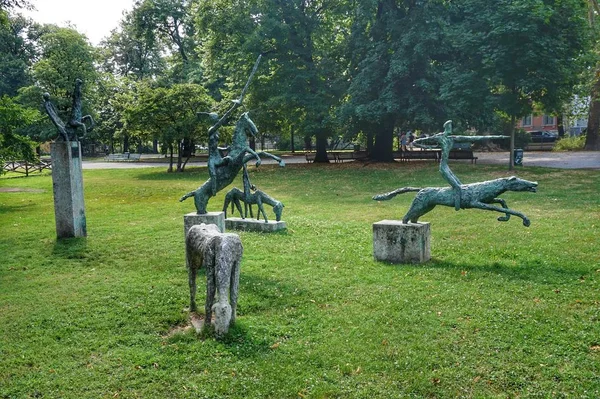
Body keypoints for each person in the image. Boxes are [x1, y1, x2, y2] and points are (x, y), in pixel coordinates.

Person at [413, 120, 507, 211]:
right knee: (457, 187)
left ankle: (459, 201)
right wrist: (429, 147)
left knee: (461, 186)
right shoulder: (439, 137)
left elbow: (473, 138)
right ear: (446, 128)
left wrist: (497, 137)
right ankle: (457, 205)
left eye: (451, 127)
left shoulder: (453, 138)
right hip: (443, 167)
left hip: (447, 167)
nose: (451, 129)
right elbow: (415, 142)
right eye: (449, 127)